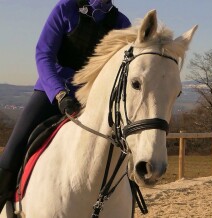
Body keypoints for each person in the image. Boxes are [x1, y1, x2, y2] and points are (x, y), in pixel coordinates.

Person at [0, 0, 131, 208]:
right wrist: (59, 93)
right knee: (10, 155)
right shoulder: (66, 8)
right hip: (52, 93)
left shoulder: (121, 23)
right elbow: (44, 55)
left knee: (122, 157)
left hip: (92, 100)